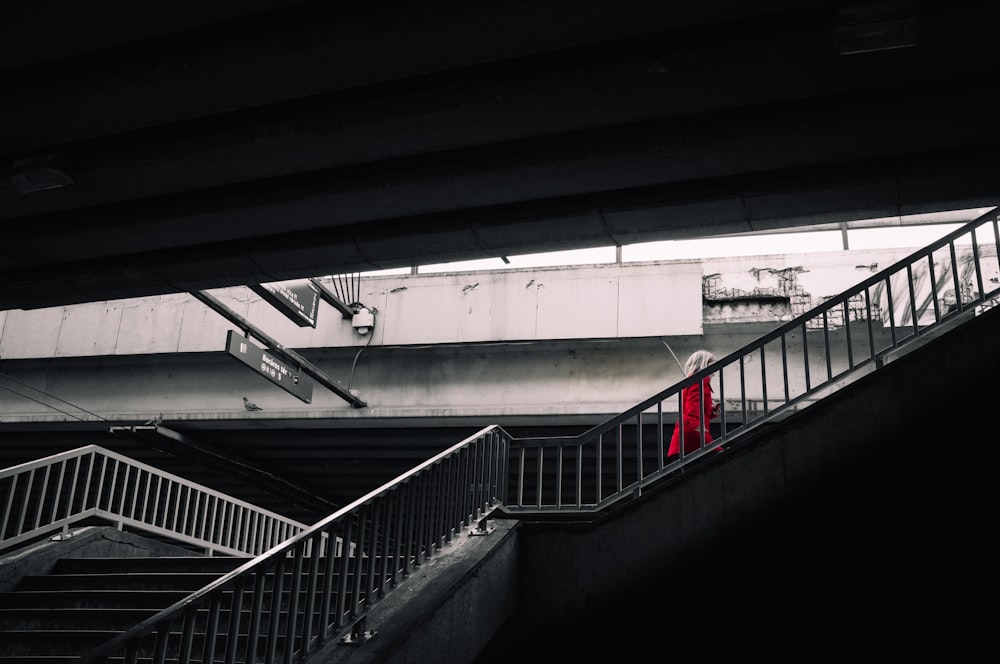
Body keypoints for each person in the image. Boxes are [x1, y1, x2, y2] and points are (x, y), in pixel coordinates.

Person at [668, 349, 721, 458]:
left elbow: (696, 406)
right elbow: (693, 405)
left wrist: (712, 412)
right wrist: (698, 427)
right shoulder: (700, 380)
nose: (715, 372)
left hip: (687, 433)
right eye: (713, 367)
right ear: (705, 364)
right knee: (720, 457)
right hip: (694, 433)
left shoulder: (693, 380)